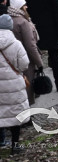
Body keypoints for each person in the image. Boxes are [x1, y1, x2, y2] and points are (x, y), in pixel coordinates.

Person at [0, 13, 30, 152]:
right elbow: (24, 64)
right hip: (14, 85)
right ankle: (15, 145)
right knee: (15, 115)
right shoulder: (16, 44)